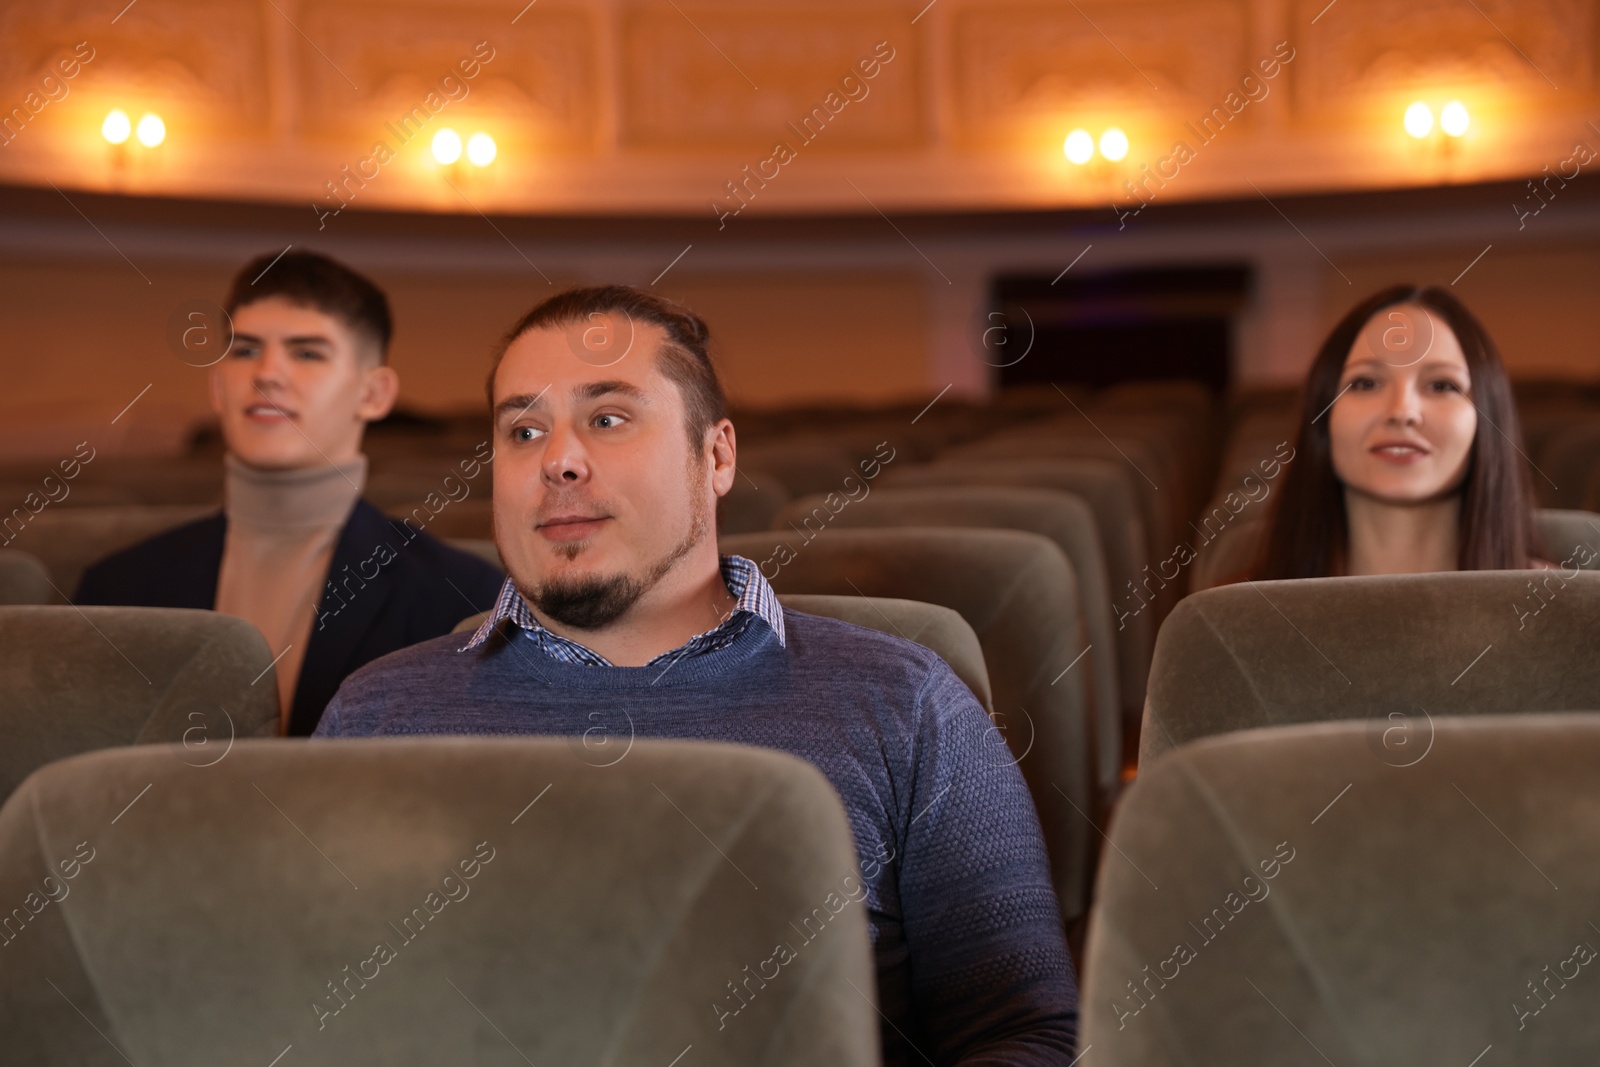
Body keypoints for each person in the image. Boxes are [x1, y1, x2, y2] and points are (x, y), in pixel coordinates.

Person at [314, 285, 1079, 1063]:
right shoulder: (373, 718)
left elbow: (1024, 1033)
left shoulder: (908, 704)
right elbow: (296, 1016)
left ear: (715, 455)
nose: (559, 459)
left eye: (607, 418)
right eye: (523, 429)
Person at [77, 250, 503, 736]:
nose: (267, 374)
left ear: (374, 394)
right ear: (218, 388)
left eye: (306, 352)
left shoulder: (464, 598)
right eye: (245, 350)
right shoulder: (113, 590)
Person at [1254, 284, 1544, 579]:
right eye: (1366, 383)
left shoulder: (1564, 608)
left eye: (1441, 385)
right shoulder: (1233, 614)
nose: (1402, 412)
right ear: (1322, 414)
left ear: (1488, 420)